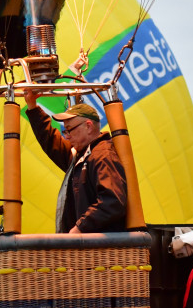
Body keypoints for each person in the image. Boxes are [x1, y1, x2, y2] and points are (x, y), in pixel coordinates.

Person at [23, 93, 128, 233]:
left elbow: (112, 201)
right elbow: (50, 140)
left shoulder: (102, 156)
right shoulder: (81, 155)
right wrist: (32, 106)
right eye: (65, 131)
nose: (67, 136)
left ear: (88, 127)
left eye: (70, 130)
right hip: (84, 246)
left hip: (98, 249)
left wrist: (80, 228)